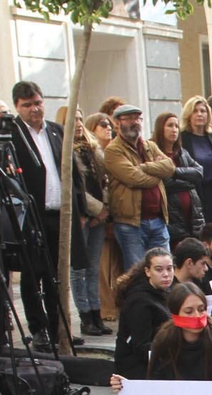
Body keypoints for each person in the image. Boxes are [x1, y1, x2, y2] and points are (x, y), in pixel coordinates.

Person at [9, 81, 87, 352]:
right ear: (17, 107)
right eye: (27, 105)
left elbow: (74, 174)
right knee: (34, 274)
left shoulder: (57, 131)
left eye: (38, 103)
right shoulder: (13, 135)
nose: (34, 109)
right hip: (32, 217)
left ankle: (59, 327)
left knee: (59, 274)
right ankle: (38, 328)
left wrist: (80, 209)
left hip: (60, 216)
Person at [104, 104, 176, 268]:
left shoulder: (149, 146)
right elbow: (134, 178)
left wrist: (144, 167)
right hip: (131, 223)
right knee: (137, 272)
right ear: (117, 123)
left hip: (158, 220)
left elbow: (170, 167)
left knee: (164, 270)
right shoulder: (113, 150)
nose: (135, 122)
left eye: (137, 118)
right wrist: (158, 175)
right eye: (129, 118)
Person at [71, 112, 114, 337]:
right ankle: (85, 315)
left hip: (98, 215)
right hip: (82, 215)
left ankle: (96, 313)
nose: (78, 123)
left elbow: (104, 182)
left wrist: (104, 209)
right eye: (73, 119)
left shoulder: (94, 150)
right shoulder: (66, 150)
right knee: (78, 268)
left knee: (93, 267)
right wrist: (96, 209)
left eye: (80, 118)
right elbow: (76, 189)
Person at [110, 248, 173, 380]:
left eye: (169, 268)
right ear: (147, 271)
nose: (166, 274)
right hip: (137, 369)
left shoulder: (164, 292)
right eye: (159, 269)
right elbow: (142, 347)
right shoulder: (139, 301)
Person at [152, 111, 204, 247]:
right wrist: (188, 181)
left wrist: (174, 171)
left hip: (192, 214)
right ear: (160, 128)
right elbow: (165, 182)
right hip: (172, 215)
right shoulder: (154, 153)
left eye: (176, 126)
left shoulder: (182, 152)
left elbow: (199, 173)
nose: (174, 130)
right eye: (170, 125)